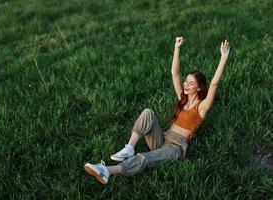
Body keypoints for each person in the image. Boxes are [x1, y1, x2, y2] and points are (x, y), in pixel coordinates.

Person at [84, 36, 230, 184]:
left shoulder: (202, 107)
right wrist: (177, 48)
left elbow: (214, 84)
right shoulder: (182, 99)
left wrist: (223, 58)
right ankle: (129, 147)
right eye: (186, 81)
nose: (185, 85)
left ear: (199, 88)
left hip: (175, 148)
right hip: (163, 138)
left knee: (145, 157)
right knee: (148, 112)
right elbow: (175, 73)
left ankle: (107, 171)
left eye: (191, 83)